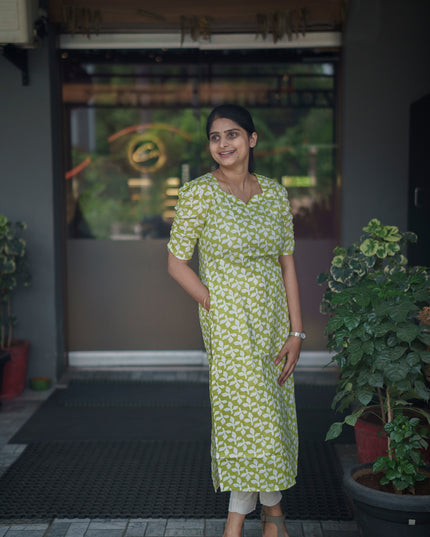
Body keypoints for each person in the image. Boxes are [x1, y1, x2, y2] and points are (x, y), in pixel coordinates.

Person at [167, 104, 304, 537]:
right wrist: (213, 302)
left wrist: (297, 331)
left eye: (232, 134)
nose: (223, 144)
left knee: (272, 412)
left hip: (274, 320)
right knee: (246, 415)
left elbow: (287, 266)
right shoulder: (198, 193)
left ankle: (273, 515)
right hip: (228, 324)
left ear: (252, 139)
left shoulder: (276, 194)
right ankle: (241, 522)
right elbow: (176, 263)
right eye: (215, 137)